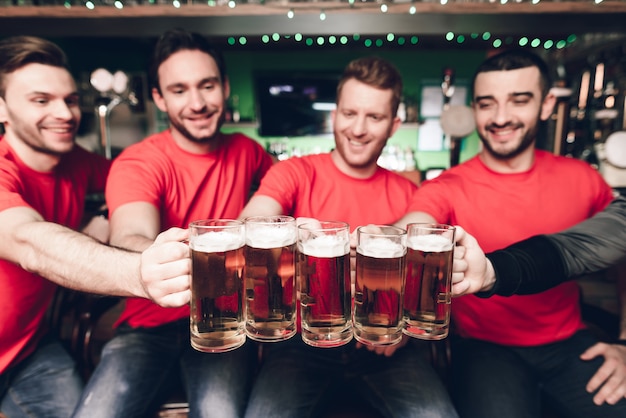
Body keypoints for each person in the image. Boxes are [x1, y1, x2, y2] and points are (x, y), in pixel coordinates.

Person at [395, 48, 626, 417]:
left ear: (547, 104)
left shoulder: (584, 179)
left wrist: (624, 342)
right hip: (485, 350)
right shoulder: (447, 185)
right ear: (474, 109)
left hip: (570, 344)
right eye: (487, 104)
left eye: (519, 101)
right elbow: (411, 225)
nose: (501, 117)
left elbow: (621, 254)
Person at [238, 56, 458, 418]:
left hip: (384, 346)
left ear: (394, 125)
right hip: (300, 344)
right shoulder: (294, 172)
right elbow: (250, 224)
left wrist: (402, 327)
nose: (358, 129)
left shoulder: (410, 192)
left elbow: (428, 284)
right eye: (350, 113)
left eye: (374, 117)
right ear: (335, 114)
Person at [72, 29, 273, 418]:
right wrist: (154, 259)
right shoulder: (139, 161)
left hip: (224, 321)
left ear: (225, 87)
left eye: (207, 86)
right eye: (179, 90)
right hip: (149, 324)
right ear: (159, 98)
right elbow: (130, 233)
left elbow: (288, 195)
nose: (197, 103)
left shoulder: (248, 151)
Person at [0, 36, 191, 418]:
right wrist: (140, 272)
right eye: (41, 100)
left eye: (69, 100)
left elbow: (133, 177)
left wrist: (107, 216)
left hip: (29, 350)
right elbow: (29, 242)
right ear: (2, 109)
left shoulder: (77, 163)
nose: (65, 114)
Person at [451, 195, 626, 298]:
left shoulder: (585, 175)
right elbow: (574, 250)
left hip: (568, 334)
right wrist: (491, 271)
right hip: (483, 339)